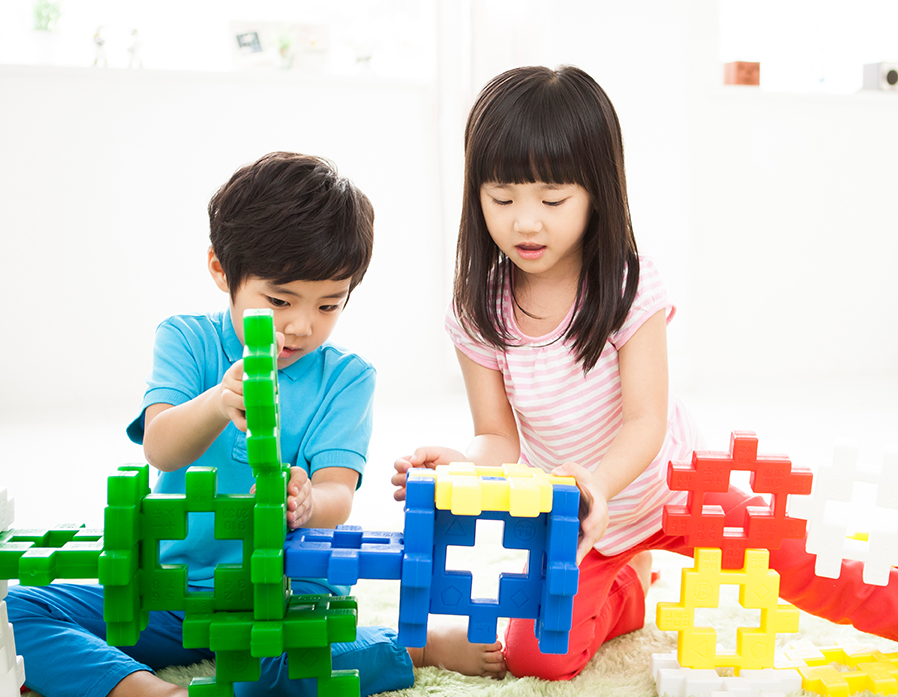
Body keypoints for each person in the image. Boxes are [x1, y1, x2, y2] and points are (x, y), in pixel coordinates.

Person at [392, 65, 898, 681]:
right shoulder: (477, 309)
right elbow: (498, 436)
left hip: (675, 490)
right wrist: (464, 467)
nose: (525, 222)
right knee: (537, 657)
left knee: (797, 560)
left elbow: (646, 420)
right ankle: (628, 589)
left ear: (597, 192)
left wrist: (600, 485)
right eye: (502, 199)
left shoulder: (628, 284)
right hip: (580, 522)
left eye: (552, 200)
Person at [7, 152, 501, 697]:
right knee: (15, 612)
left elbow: (338, 493)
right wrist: (218, 401)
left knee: (268, 673)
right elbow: (160, 448)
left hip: (284, 594)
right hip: (175, 590)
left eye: (328, 306)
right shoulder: (186, 339)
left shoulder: (347, 378)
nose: (302, 325)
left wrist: (307, 503)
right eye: (280, 300)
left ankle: (411, 645)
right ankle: (146, 690)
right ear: (222, 270)